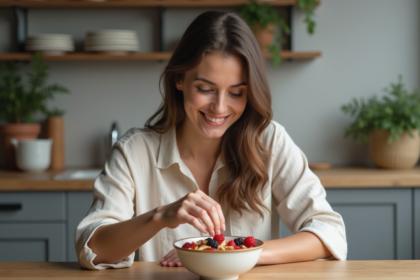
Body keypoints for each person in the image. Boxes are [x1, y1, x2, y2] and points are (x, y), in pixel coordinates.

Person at [75, 11, 347, 270]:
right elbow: (92, 250)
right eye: (205, 89)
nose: (219, 107)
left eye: (236, 93)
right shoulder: (134, 151)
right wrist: (160, 216)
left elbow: (329, 233)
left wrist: (232, 252)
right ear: (179, 80)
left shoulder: (270, 141)